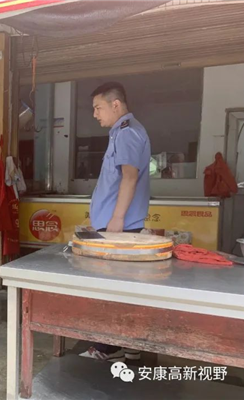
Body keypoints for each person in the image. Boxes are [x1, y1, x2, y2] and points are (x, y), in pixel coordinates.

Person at [79, 82, 151, 362]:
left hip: (119, 228)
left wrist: (116, 220)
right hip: (116, 226)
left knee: (110, 290)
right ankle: (129, 345)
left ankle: (107, 348)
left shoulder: (127, 133)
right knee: (123, 288)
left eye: (98, 108)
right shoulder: (124, 132)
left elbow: (129, 178)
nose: (95, 114)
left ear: (116, 105)